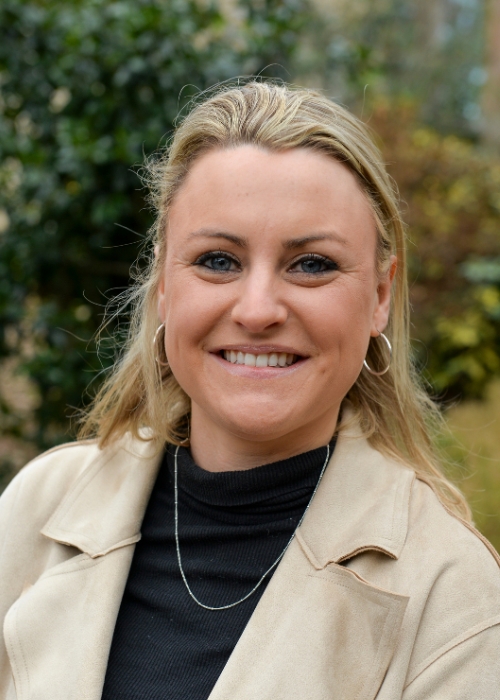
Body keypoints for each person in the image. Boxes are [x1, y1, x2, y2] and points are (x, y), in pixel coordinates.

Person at [0, 81, 499, 700]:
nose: (258, 309)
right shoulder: (34, 512)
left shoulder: (453, 598)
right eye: (218, 260)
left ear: (378, 295)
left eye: (311, 264)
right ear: (163, 285)